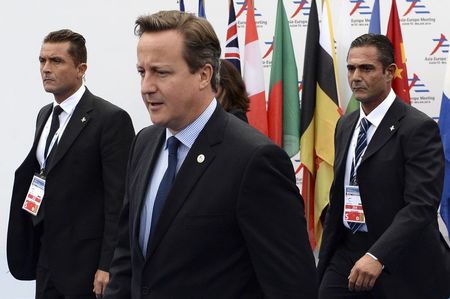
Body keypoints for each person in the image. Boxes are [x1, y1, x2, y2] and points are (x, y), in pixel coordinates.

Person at [105, 10, 317, 299]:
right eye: (142, 72)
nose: (146, 87)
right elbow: (127, 258)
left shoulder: (255, 160)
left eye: (161, 72)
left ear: (204, 74)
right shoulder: (143, 143)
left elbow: (293, 285)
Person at [317, 33, 450, 298]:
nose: (356, 76)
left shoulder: (417, 127)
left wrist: (378, 255)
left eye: (366, 68)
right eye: (351, 68)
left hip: (400, 259)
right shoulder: (346, 124)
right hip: (347, 251)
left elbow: (421, 205)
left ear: (390, 72)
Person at [7, 29, 135, 299]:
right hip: (46, 258)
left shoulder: (110, 119)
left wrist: (108, 265)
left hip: (86, 268)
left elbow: (119, 201)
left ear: (81, 68)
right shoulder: (45, 115)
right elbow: (42, 176)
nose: (46, 69)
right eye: (42, 61)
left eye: (56, 61)